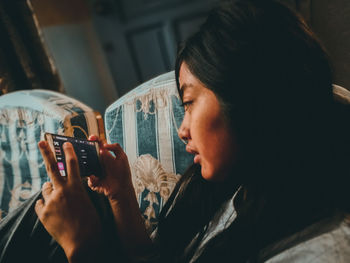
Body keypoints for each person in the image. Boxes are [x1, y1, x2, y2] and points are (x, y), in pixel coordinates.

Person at [1, 0, 350, 262]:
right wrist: (121, 193)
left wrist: (81, 246)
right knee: (69, 201)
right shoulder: (241, 186)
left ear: (250, 98)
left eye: (190, 102)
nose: (182, 129)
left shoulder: (321, 251)